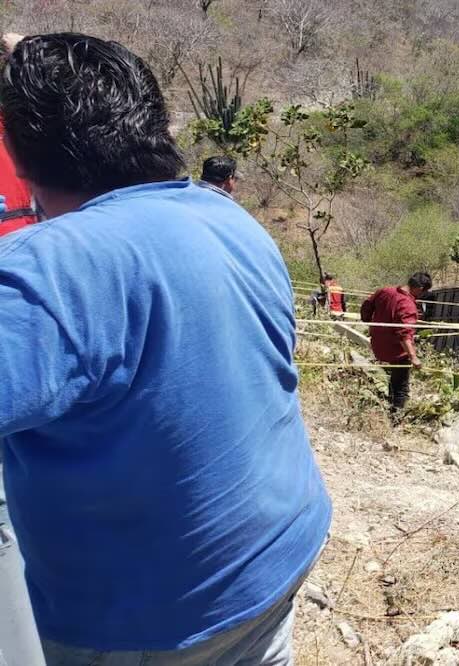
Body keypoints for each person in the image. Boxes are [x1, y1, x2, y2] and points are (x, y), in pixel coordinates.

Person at [0, 33, 331, 663]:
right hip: (279, 553)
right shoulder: (228, 218)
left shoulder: (44, 272)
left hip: (150, 622)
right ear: (154, 122)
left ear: (16, 153)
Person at [361, 272, 432, 415]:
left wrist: (369, 322)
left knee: (395, 379)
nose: (422, 295)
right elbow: (404, 334)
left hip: (378, 345)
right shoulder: (407, 305)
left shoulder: (384, 291)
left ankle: (390, 403)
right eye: (424, 292)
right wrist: (413, 357)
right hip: (395, 351)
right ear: (420, 288)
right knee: (401, 387)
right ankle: (396, 417)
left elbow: (367, 305)